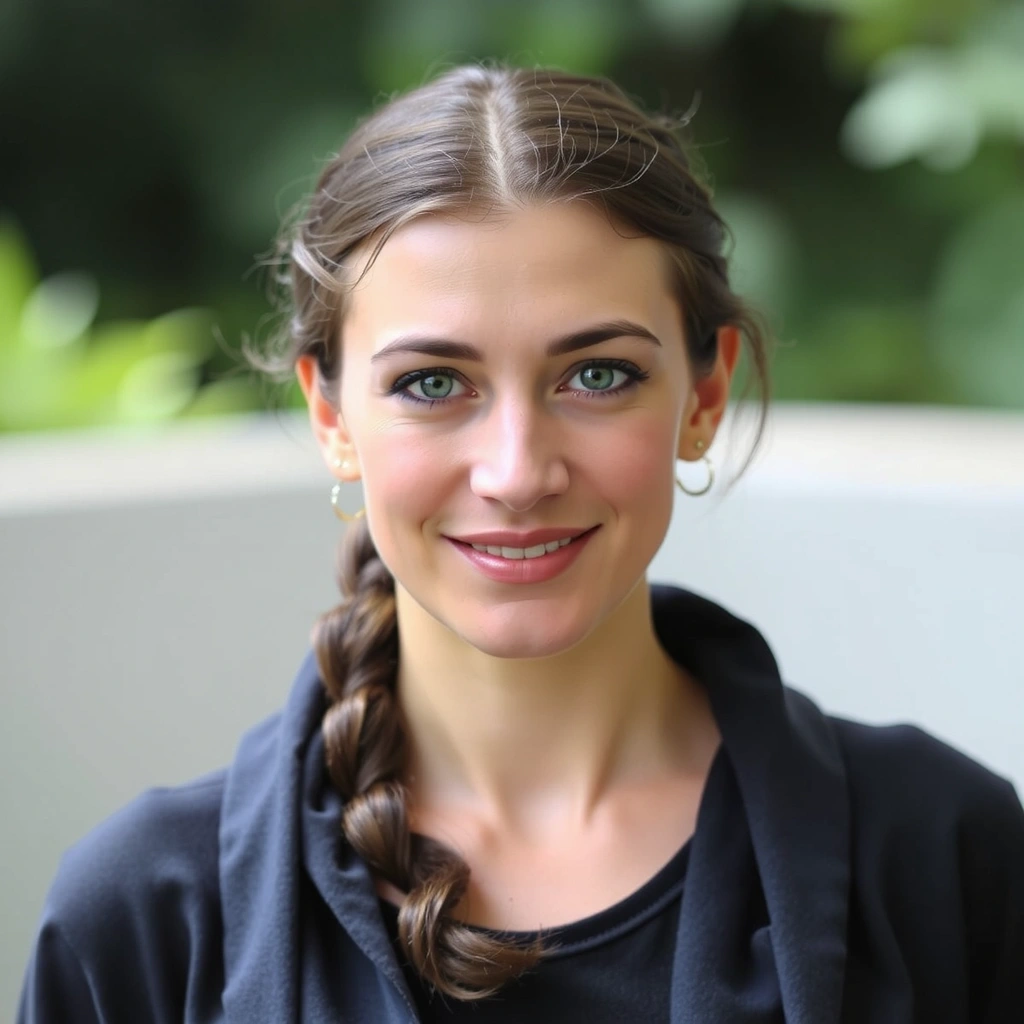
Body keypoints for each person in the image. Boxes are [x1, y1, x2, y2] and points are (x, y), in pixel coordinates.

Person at [18, 64, 1024, 1024]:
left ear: (703, 394)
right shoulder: (145, 919)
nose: (515, 469)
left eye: (596, 375)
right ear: (328, 412)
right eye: (431, 383)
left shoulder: (940, 853)